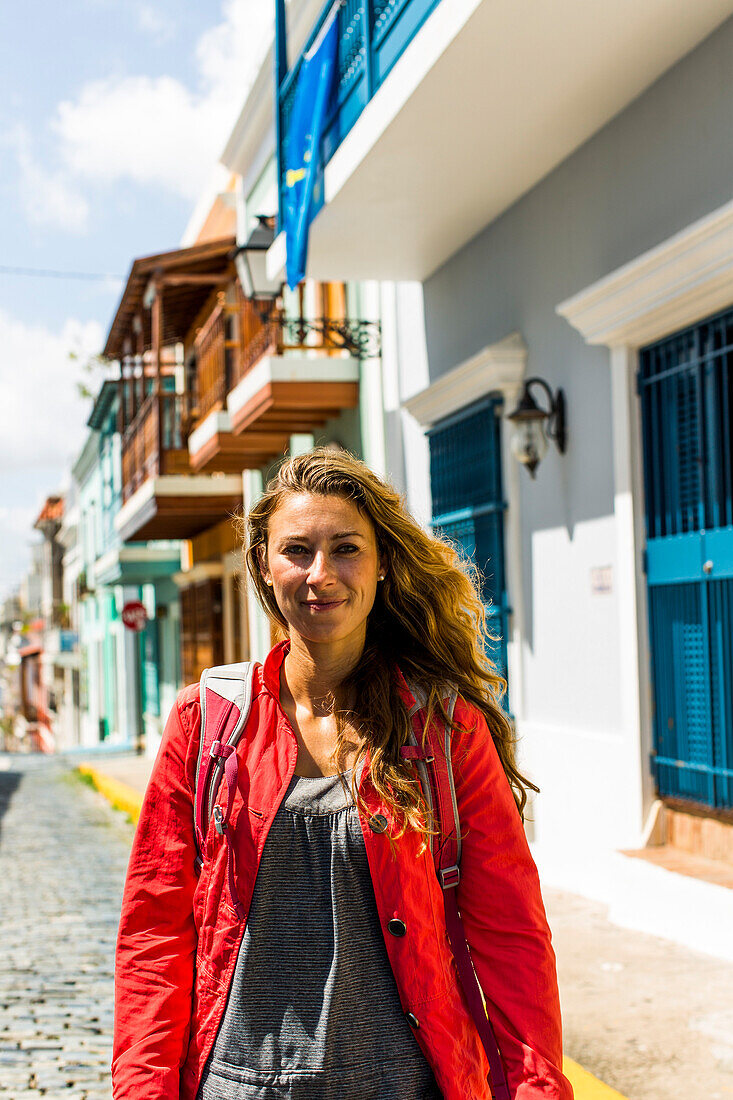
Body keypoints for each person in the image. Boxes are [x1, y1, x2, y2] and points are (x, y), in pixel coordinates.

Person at [112, 447, 574, 1100]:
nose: (319, 574)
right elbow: (153, 936)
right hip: (235, 1086)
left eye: (345, 549)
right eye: (296, 550)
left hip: (401, 1084)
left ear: (382, 565)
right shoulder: (207, 722)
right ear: (264, 566)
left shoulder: (442, 729)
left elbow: (511, 938)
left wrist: (537, 1089)